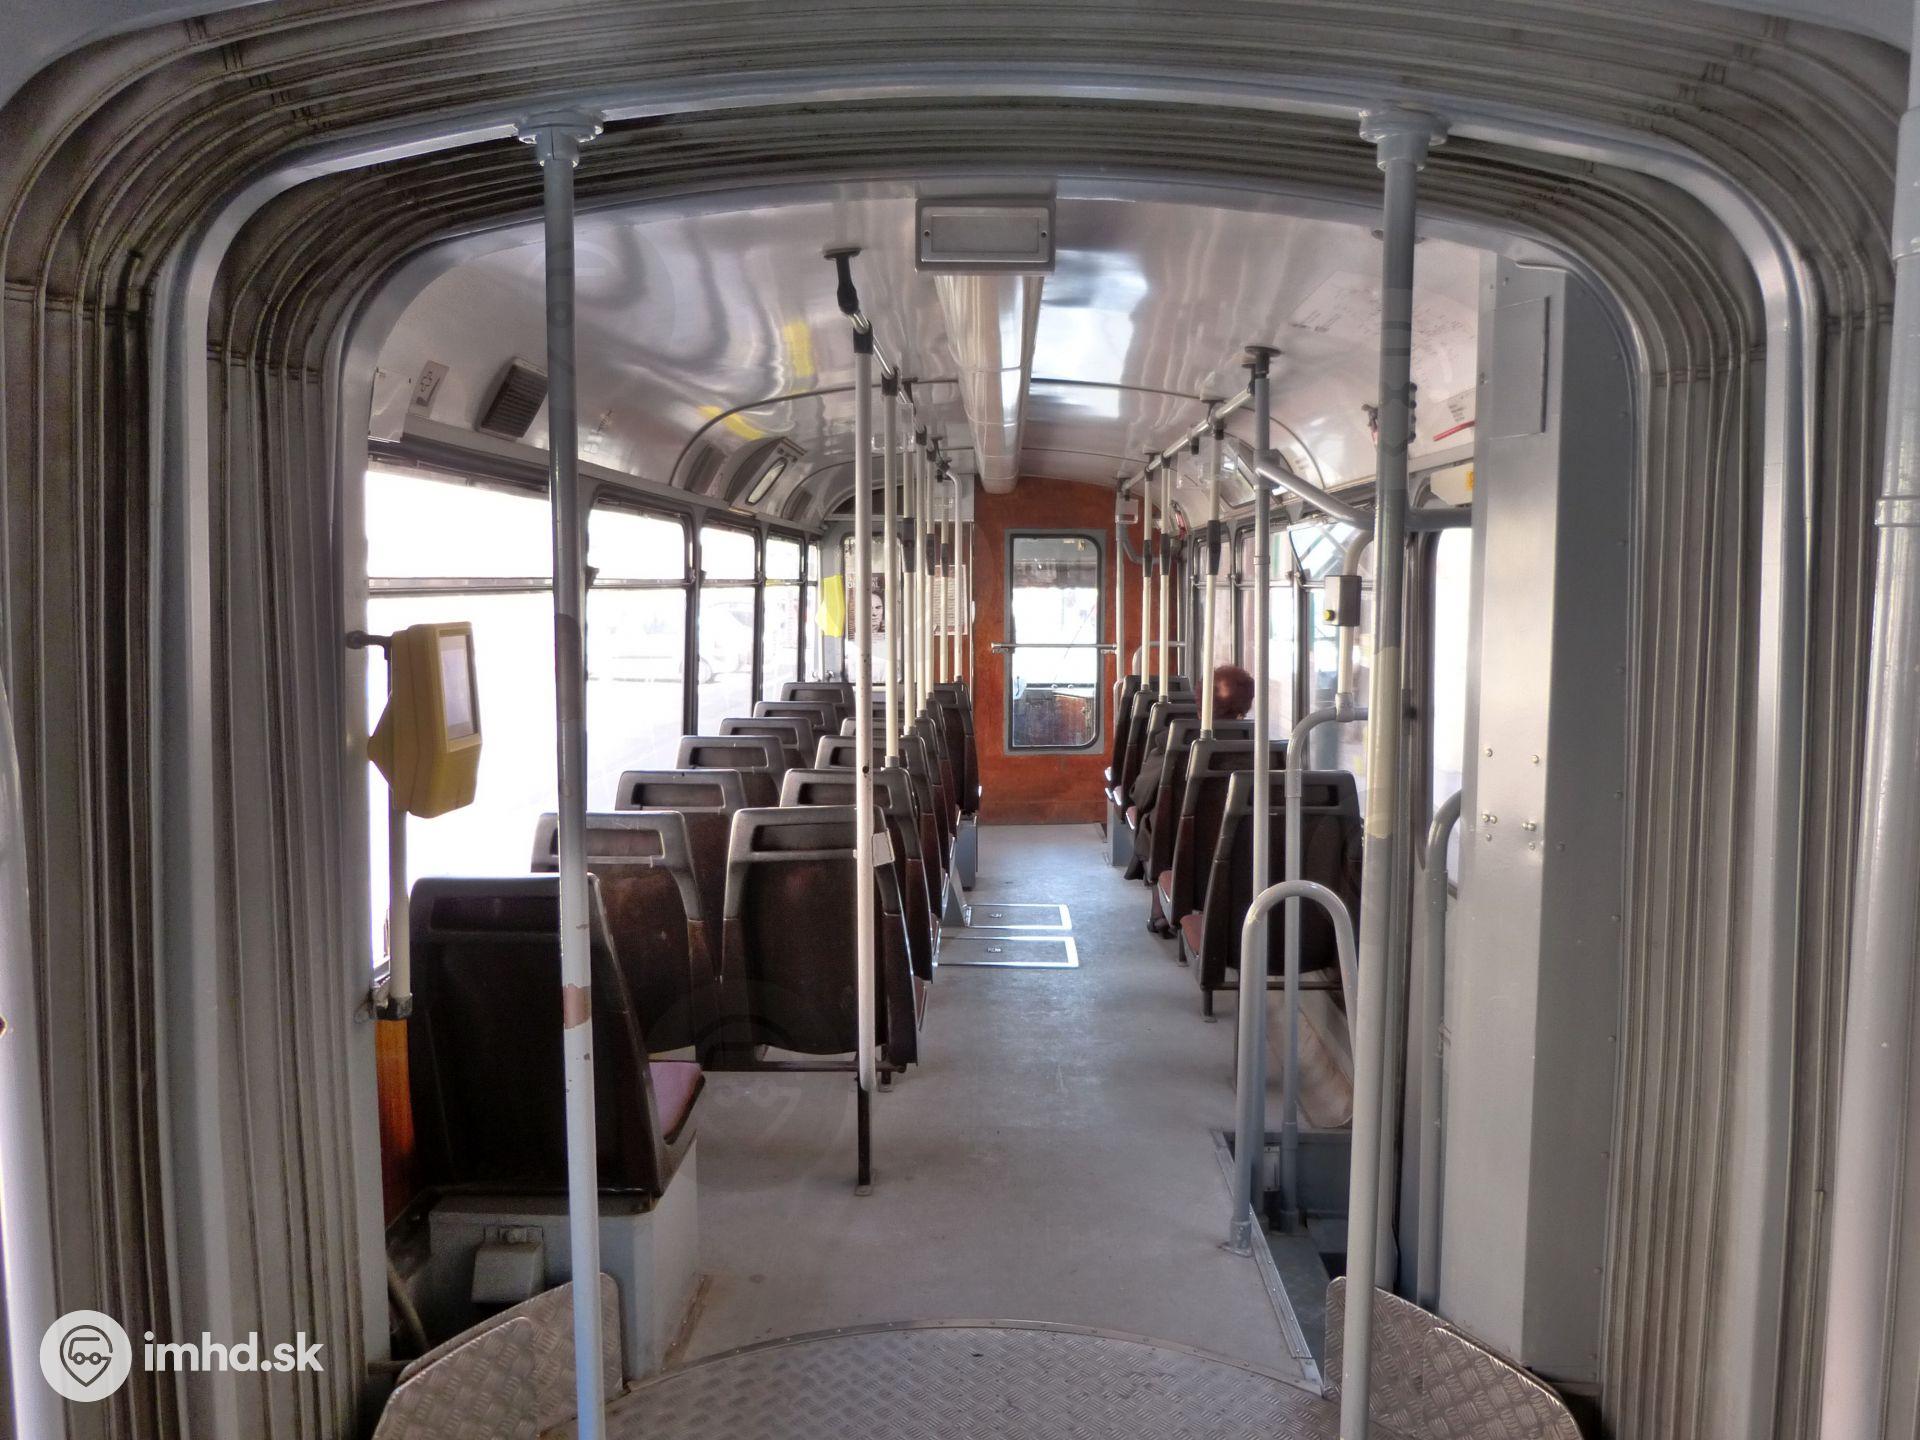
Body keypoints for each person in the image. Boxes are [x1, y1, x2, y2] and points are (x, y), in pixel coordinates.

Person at [1129, 664, 1255, 814]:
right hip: (1242, 829)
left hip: (1174, 827)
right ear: (1246, 706)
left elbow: (1141, 797)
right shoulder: (1259, 748)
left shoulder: (1174, 739)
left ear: (1200, 703)